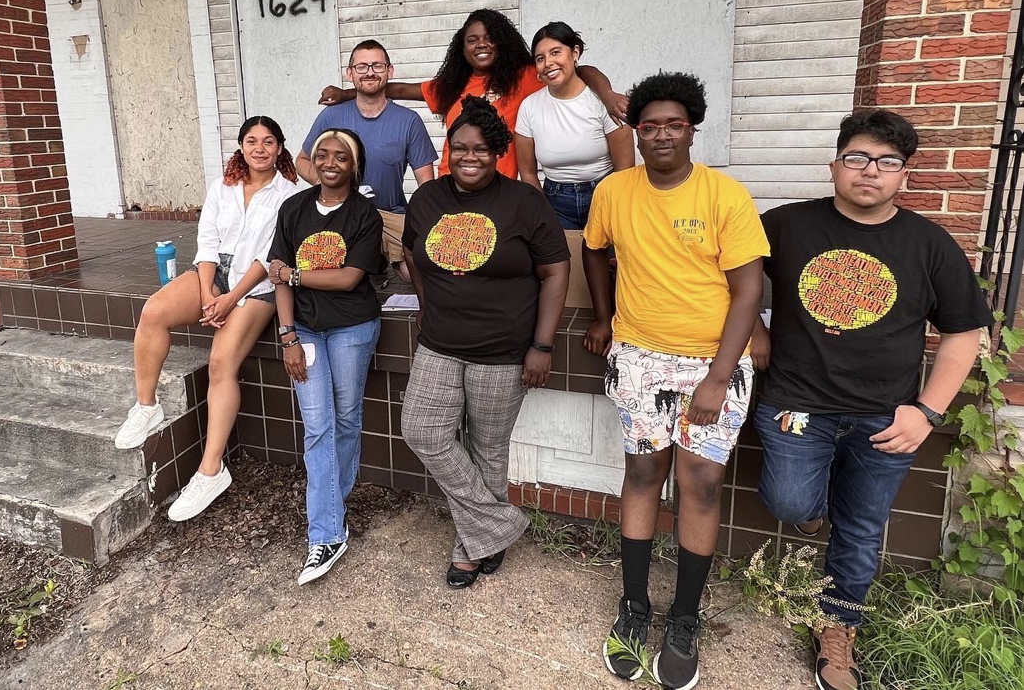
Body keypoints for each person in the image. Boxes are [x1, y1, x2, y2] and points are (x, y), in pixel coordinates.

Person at [750, 110, 991, 690]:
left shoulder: (929, 244)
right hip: (795, 401)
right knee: (787, 501)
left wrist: (927, 410)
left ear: (904, 175)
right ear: (835, 164)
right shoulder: (784, 226)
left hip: (887, 415)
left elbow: (963, 331)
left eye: (887, 163)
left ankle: (838, 629)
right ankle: (814, 510)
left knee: (861, 527)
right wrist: (755, 330)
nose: (870, 171)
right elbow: (729, 280)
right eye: (857, 157)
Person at [582, 71, 769, 688]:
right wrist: (605, 316)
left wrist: (719, 376)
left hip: (713, 361)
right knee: (642, 473)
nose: (661, 135)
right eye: (650, 125)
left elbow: (749, 290)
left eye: (674, 125)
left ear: (692, 130)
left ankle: (684, 617)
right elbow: (593, 248)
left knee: (702, 482)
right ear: (635, 131)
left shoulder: (725, 196)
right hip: (639, 357)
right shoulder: (614, 191)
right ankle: (634, 608)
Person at [400, 98, 570, 589]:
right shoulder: (427, 199)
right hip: (438, 343)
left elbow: (557, 270)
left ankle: (471, 547)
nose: (468, 157)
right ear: (447, 150)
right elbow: (415, 259)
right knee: (422, 431)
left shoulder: (524, 201)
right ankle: (497, 526)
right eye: (459, 148)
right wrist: (428, 310)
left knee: (488, 449)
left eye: (481, 149)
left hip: (504, 349)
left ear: (498, 153)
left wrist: (542, 344)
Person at [114, 116, 299, 522]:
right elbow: (207, 242)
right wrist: (206, 294)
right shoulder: (223, 187)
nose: (260, 149)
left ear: (281, 149)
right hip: (214, 276)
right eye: (252, 141)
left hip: (258, 284)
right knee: (153, 312)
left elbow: (270, 255)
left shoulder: (290, 195)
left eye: (269, 142)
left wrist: (230, 299)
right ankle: (147, 406)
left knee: (220, 364)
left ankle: (211, 470)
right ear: (240, 147)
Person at [319, 8, 627, 180]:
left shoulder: (524, 77)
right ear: (462, 47)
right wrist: (347, 94)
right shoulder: (453, 84)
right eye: (472, 40)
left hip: (498, 188)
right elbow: (398, 89)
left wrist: (609, 94)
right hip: (450, 184)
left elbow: (582, 71)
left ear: (502, 42)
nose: (481, 44)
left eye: (489, 38)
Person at [268, 128, 383, 586]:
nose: (330, 161)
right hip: (307, 332)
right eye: (322, 154)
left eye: (341, 156)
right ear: (312, 162)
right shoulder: (293, 208)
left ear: (355, 166)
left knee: (348, 416)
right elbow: (275, 276)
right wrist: (287, 335)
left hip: (353, 328)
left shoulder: (364, 215)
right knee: (318, 424)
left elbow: (349, 278)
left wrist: (294, 273)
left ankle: (333, 505)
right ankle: (327, 533)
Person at [298, 39, 436, 280]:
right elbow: (301, 161)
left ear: (389, 71)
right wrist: (330, 186)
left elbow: (427, 186)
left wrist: (425, 225)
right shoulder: (331, 116)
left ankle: (383, 258)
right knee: (330, 267)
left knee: (415, 273)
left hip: (390, 215)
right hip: (342, 213)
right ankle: (371, 260)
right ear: (350, 73)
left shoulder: (409, 120)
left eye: (377, 66)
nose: (370, 72)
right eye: (361, 67)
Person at [515, 21, 635, 228]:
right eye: (540, 58)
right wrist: (543, 213)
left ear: (575, 53)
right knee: (562, 260)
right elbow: (527, 173)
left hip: (606, 194)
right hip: (555, 201)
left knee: (608, 259)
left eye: (556, 52)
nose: (549, 63)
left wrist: (613, 206)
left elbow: (624, 170)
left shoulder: (603, 102)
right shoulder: (529, 107)